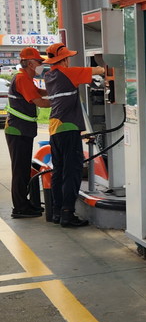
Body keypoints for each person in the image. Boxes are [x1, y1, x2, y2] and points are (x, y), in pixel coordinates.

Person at [43, 43, 106, 228]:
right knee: (72, 171)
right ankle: (67, 214)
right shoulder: (69, 73)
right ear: (64, 60)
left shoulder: (48, 76)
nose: (69, 61)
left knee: (59, 171)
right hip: (69, 128)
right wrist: (107, 65)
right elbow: (99, 70)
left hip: (55, 128)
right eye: (68, 58)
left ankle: (57, 212)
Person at [4, 47, 50, 218]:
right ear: (30, 63)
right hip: (18, 130)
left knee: (23, 168)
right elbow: (40, 102)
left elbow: (39, 92)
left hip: (22, 130)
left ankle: (24, 204)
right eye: (39, 62)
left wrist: (57, 89)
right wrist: (62, 99)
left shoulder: (27, 78)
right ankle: (20, 208)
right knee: (20, 170)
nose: (41, 65)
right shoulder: (22, 78)